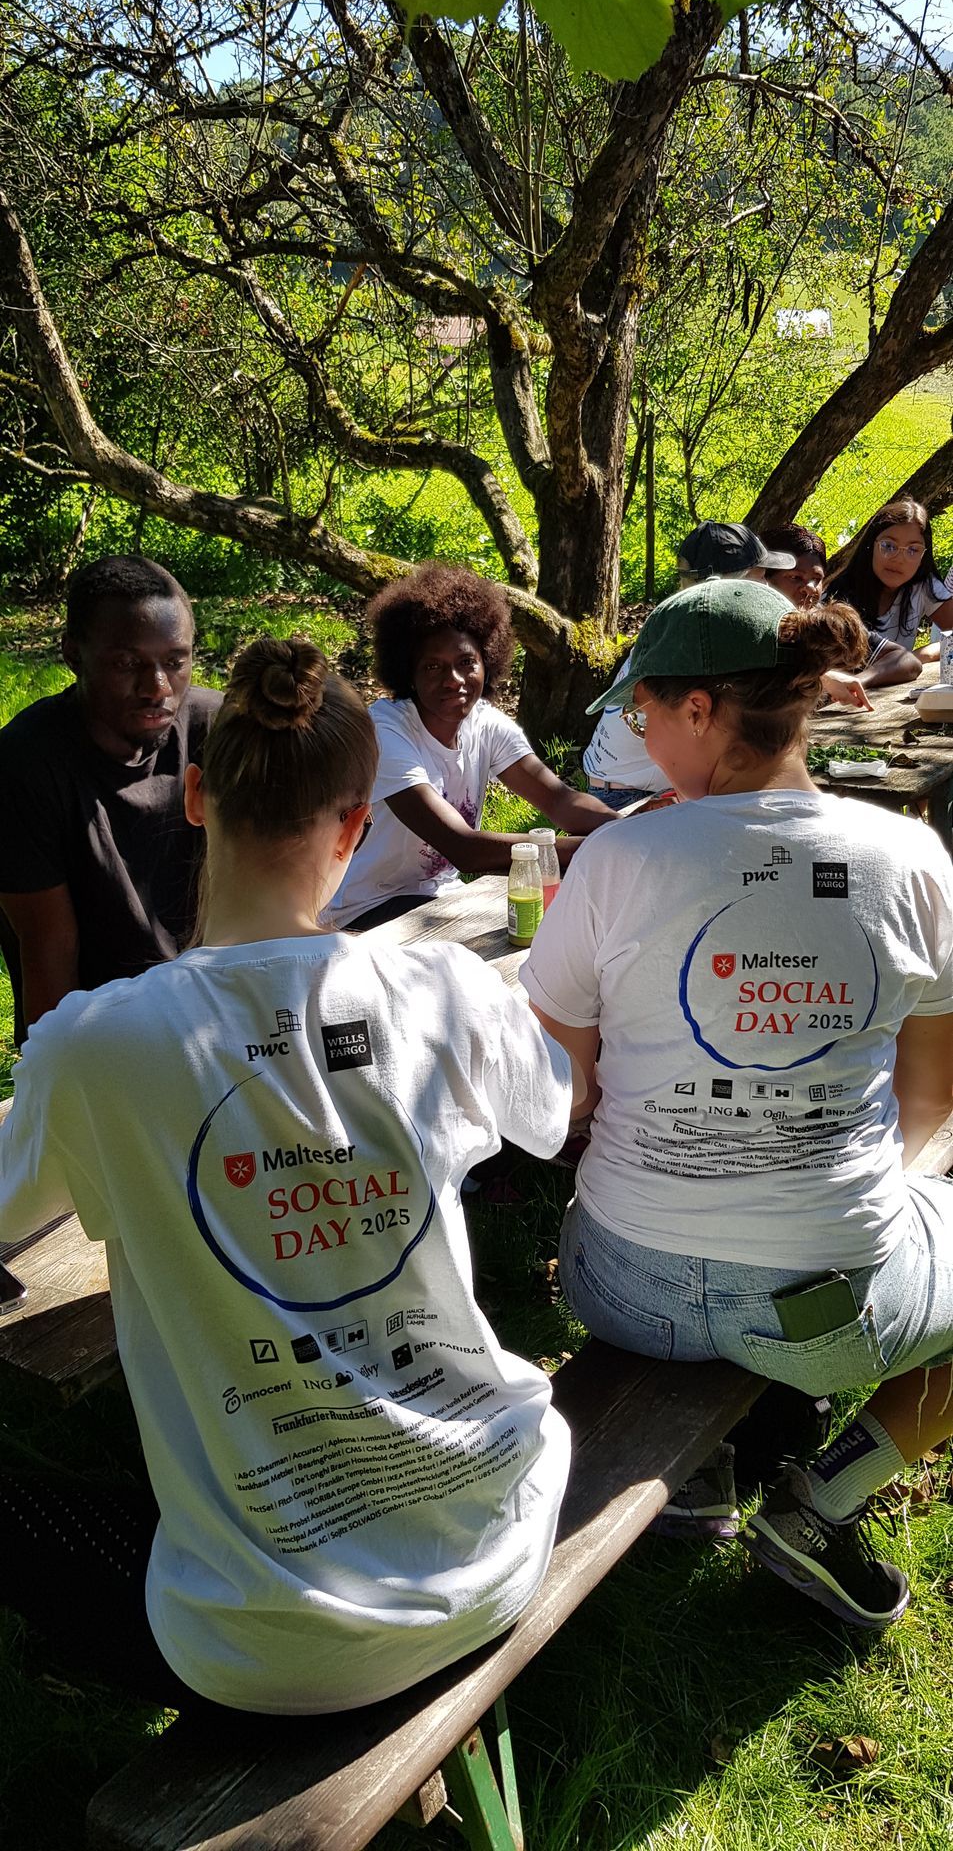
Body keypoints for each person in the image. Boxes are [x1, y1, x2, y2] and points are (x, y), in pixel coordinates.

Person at [0, 637, 576, 1712]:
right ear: (356, 825)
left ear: (197, 799)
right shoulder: (444, 985)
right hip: (495, 1532)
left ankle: (86, 1664)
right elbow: (548, 1115)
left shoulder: (95, 1044)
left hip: (264, 1651)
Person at [523, 578, 953, 1630]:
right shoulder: (907, 856)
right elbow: (930, 1094)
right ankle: (824, 1496)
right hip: (832, 1307)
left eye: (641, 710)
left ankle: (708, 1465)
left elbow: (559, 1088)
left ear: (701, 710)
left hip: (620, 1283)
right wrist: (855, 1194)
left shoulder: (614, 857)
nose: (636, 732)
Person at [0, 553, 218, 1046]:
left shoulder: (217, 730)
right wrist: (58, 1082)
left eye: (175, 662)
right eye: (127, 664)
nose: (157, 687)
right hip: (102, 1026)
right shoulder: (24, 765)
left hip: (214, 1003)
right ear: (73, 655)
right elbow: (49, 948)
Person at [330, 563, 617, 930]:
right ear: (409, 674)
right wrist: (599, 851)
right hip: (363, 912)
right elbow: (462, 847)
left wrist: (622, 828)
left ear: (487, 663)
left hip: (437, 900)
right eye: (433, 667)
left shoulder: (484, 722)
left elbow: (559, 800)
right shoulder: (386, 733)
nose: (454, 680)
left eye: (467, 662)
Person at [583, 520, 797, 809]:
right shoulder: (692, 646)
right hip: (628, 796)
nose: (767, 587)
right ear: (731, 585)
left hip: (653, 785)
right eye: (760, 579)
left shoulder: (681, 631)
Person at [763, 522, 922, 690]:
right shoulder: (753, 626)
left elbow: (907, 661)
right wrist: (824, 681)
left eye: (817, 579)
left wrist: (858, 680)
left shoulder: (826, 626)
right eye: (795, 577)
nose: (810, 588)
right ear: (764, 578)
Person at [824, 496, 953, 656]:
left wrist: (917, 657)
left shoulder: (923, 586)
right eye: (888, 546)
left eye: (913, 550)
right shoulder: (836, 596)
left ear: (923, 557)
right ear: (871, 546)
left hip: (898, 679)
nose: (899, 559)